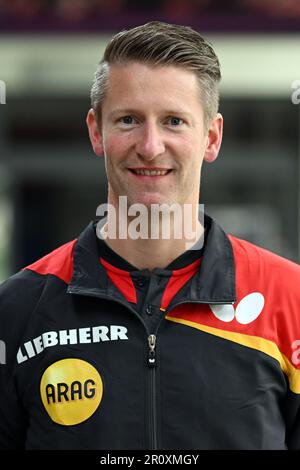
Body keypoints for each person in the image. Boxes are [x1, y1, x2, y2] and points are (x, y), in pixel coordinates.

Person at [0, 21, 300, 451]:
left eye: (174, 121)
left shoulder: (291, 300)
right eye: (128, 120)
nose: (150, 145)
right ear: (96, 132)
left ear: (211, 137)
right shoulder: (17, 310)